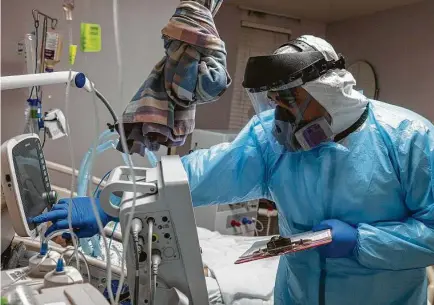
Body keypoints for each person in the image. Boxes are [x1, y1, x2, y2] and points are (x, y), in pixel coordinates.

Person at [31, 35, 434, 305]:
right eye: (274, 102)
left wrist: (362, 242)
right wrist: (115, 201)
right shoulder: (271, 142)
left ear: (326, 91)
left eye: (290, 101)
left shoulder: (408, 139)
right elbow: (198, 173)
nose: (281, 117)